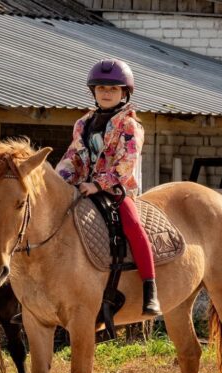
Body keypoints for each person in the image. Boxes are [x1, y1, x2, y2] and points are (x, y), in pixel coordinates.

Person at [55, 58, 160, 317]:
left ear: (124, 92)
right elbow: (73, 157)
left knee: (133, 225)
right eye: (101, 88)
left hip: (117, 190)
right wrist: (57, 182)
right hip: (82, 187)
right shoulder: (82, 123)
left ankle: (150, 288)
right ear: (94, 92)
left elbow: (126, 163)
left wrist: (98, 184)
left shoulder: (130, 125)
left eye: (112, 89)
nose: (106, 93)